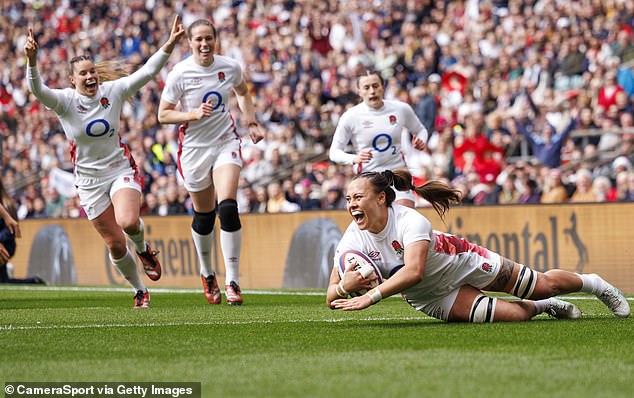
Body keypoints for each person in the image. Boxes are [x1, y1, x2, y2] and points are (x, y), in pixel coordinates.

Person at [24, 17, 186, 307]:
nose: (89, 77)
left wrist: (170, 44)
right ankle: (140, 290)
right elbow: (37, 90)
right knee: (114, 243)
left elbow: (148, 72)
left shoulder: (113, 92)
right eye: (82, 74)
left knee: (128, 222)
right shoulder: (64, 102)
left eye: (92, 72)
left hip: (119, 168)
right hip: (88, 181)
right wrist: (32, 61)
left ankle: (144, 249)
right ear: (72, 80)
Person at [327, 169, 630, 322]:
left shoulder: (409, 220)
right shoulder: (353, 238)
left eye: (358, 197)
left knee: (544, 284)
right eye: (348, 199)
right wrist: (344, 287)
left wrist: (372, 296)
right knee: (516, 316)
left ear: (380, 198)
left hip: (462, 262)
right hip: (432, 298)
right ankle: (543, 308)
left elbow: (415, 270)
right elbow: (331, 295)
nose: (351, 204)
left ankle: (596, 285)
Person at [157, 19, 264, 305]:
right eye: (199, 40)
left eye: (209, 39)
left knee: (228, 207)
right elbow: (163, 114)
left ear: (215, 40)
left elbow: (242, 92)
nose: (204, 44)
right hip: (193, 150)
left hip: (224, 142)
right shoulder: (180, 73)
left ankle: (233, 281)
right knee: (204, 216)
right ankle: (207, 273)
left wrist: (251, 121)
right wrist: (192, 115)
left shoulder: (229, 66)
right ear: (190, 43)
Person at [328, 70, 429, 208]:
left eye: (375, 86)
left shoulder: (400, 109)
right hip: (369, 178)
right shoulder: (351, 116)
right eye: (366, 87)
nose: (372, 91)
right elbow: (334, 153)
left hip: (397, 173)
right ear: (359, 91)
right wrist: (353, 158)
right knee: (377, 226)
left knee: (406, 217)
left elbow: (421, 130)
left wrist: (421, 141)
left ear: (383, 87)